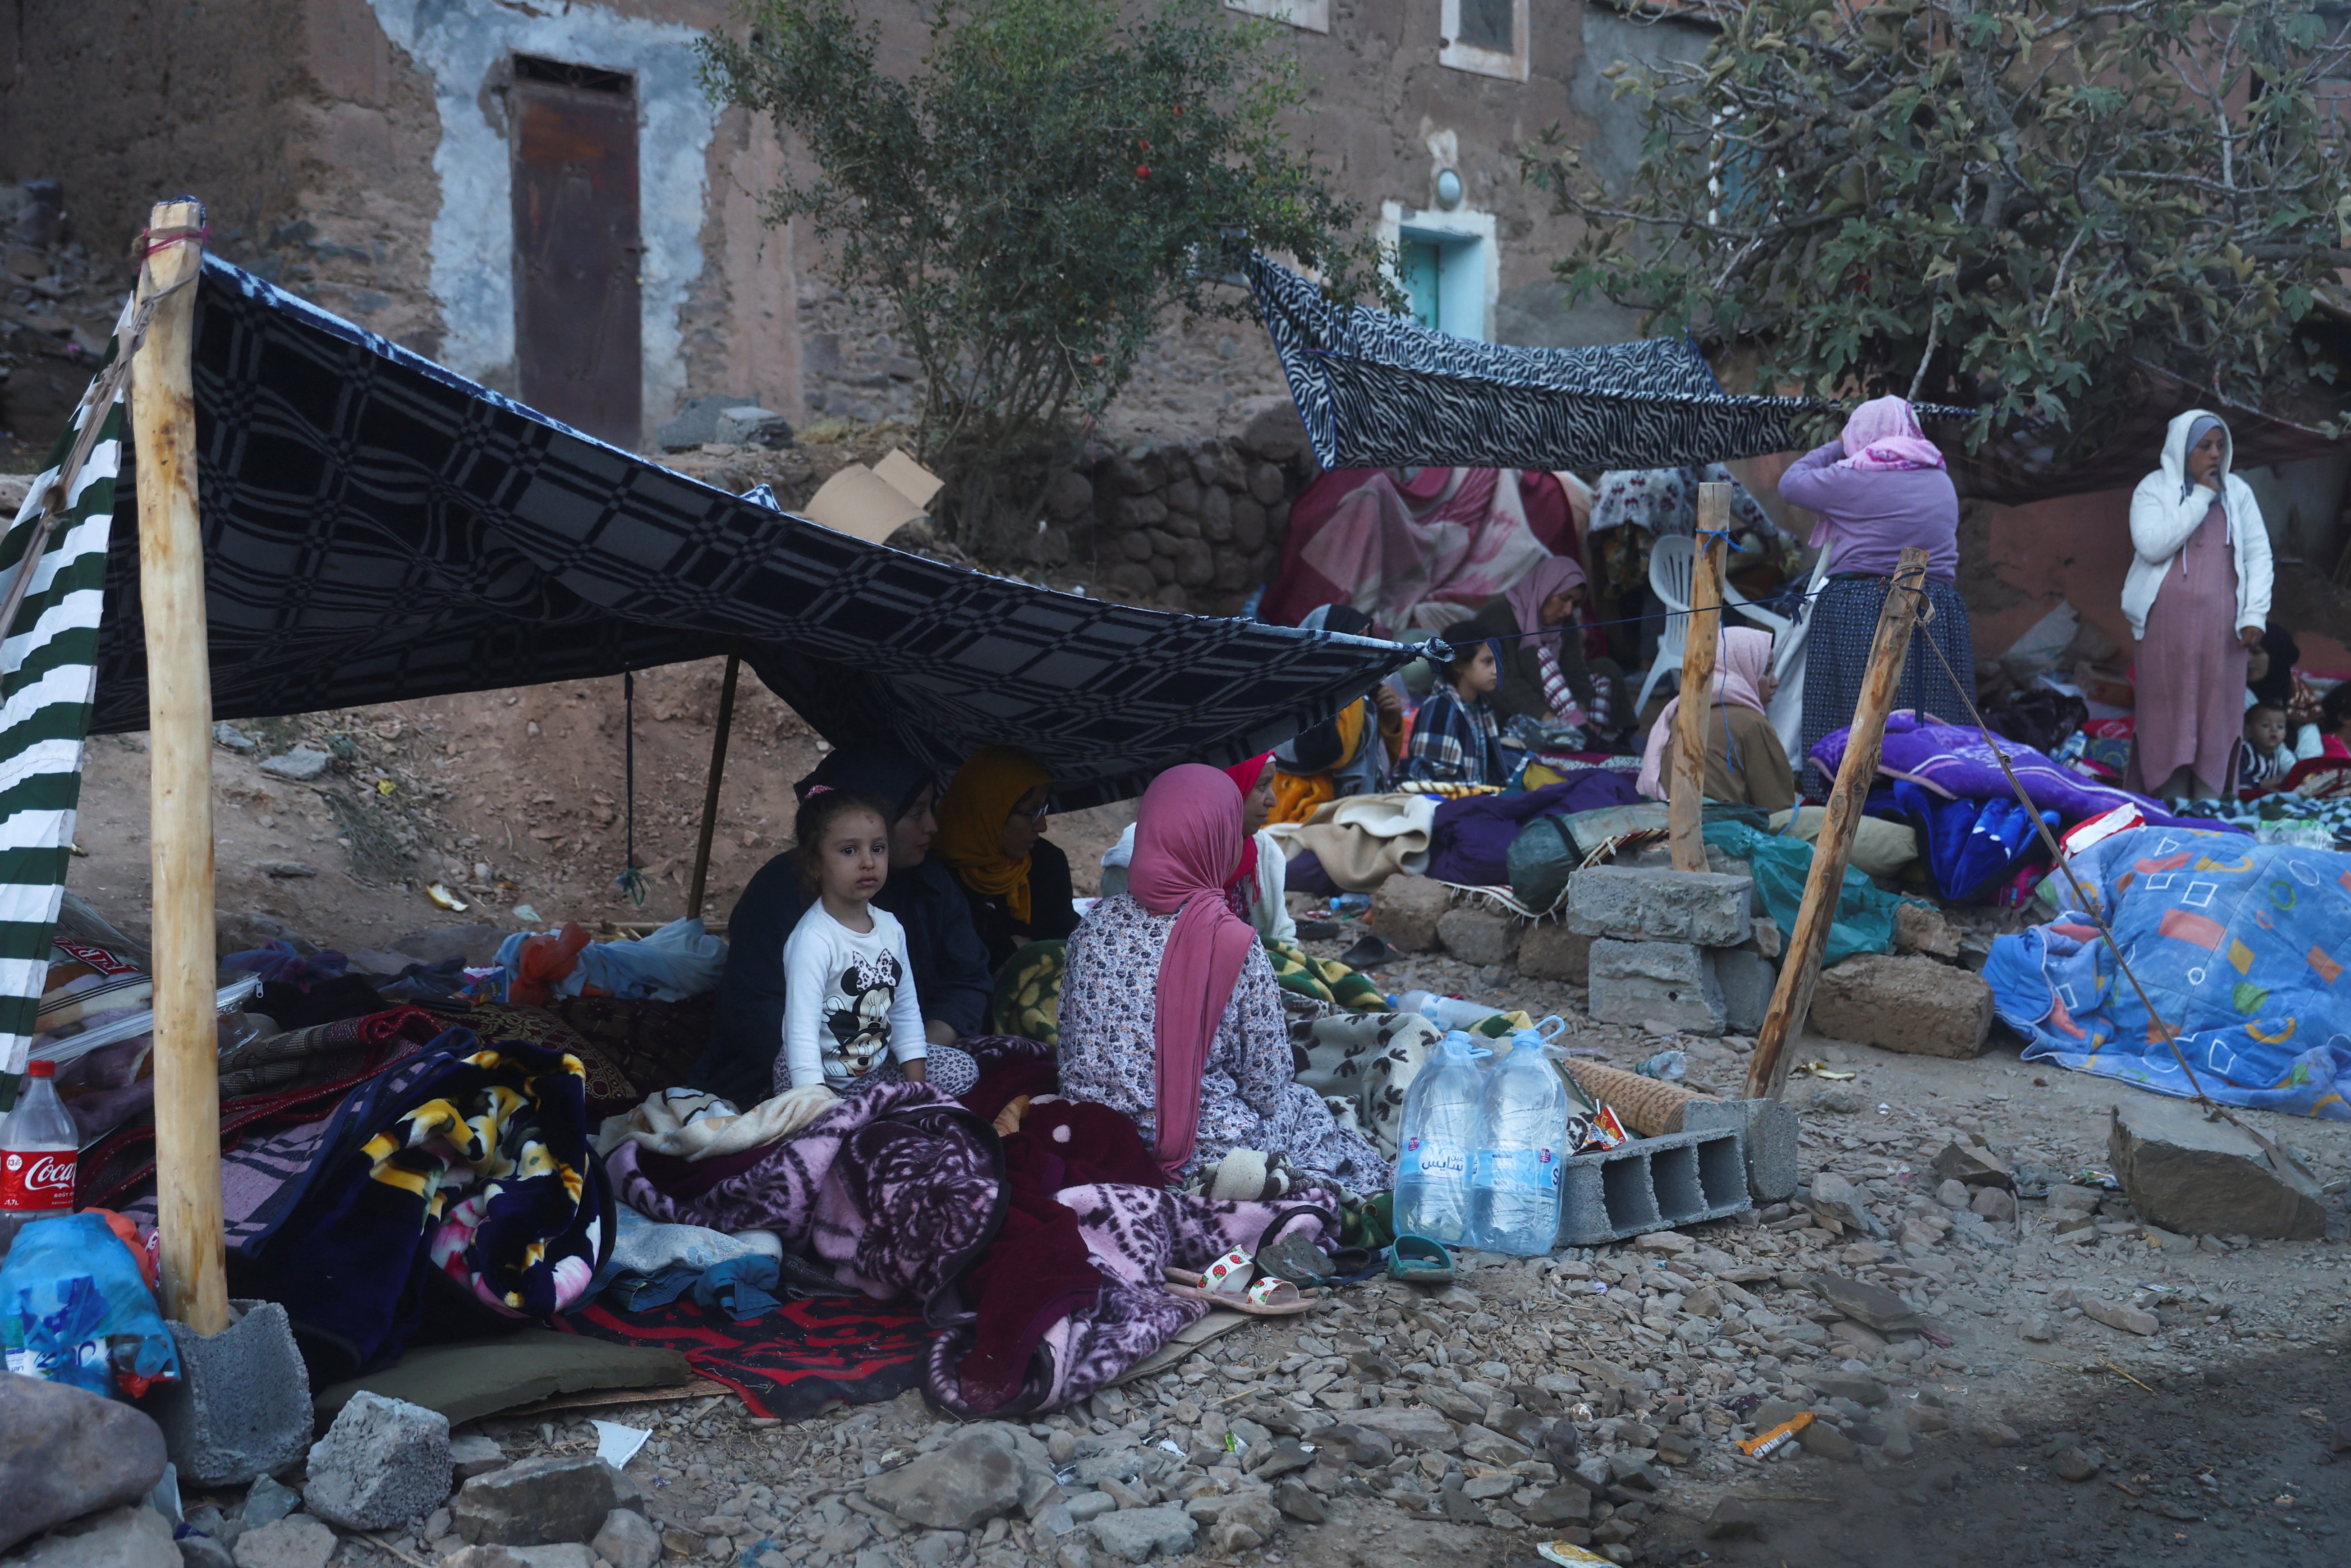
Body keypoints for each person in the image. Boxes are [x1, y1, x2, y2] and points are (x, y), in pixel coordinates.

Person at [1055, 764, 1389, 1189]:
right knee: (1307, 1110)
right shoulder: (1231, 943)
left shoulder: (1094, 924)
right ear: (1218, 839)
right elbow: (1267, 1088)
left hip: (1094, 1134)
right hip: (1203, 1150)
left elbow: (1069, 1045)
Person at [694, 741, 994, 1108]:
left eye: (878, 848)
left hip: (883, 1059)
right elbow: (763, 1016)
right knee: (794, 1077)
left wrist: (917, 1069)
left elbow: (961, 981)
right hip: (808, 1068)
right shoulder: (787, 900)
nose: (933, 826)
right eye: (916, 813)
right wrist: (826, 1098)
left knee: (964, 1070)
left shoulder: (926, 888)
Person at [1779, 395, 1974, 790]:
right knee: (1927, 715)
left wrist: (1839, 443)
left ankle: (1845, 796)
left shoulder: (1851, 477)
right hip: (1936, 610)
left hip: (1861, 608)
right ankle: (1930, 795)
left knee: (1854, 716)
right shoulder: (1940, 478)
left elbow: (1791, 483)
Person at [774, 787, 977, 1098]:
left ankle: (876, 1109)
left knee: (963, 1069)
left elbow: (906, 1011)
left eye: (878, 848)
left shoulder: (891, 928)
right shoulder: (813, 941)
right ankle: (850, 1114)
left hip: (873, 1070)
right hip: (815, 1079)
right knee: (827, 1120)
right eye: (849, 851)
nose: (868, 862)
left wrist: (918, 1091)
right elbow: (800, 1034)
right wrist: (814, 1107)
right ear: (814, 864)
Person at [2124, 410, 2273, 800]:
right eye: (2205, 446)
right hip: (2163, 632)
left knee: (2216, 716)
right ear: (2182, 450)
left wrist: (2255, 613)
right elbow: (2152, 545)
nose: (2214, 454)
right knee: (2165, 716)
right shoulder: (2153, 490)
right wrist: (2201, 498)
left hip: (2224, 635)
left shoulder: (2238, 493)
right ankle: (2165, 797)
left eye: (2220, 446)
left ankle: (2208, 806)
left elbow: (2259, 554)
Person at [1446, 556, 1628, 740]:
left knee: (1606, 669)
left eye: (1575, 604)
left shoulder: (1566, 622)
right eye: (1564, 599)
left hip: (1559, 701)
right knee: (1538, 655)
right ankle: (1576, 733)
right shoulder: (1499, 616)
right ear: (1545, 588)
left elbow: (1576, 672)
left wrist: (1579, 710)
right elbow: (1502, 680)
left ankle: (1594, 734)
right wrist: (1548, 719)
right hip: (1514, 707)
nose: (1567, 610)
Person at [934, 746, 1080, 972]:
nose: (1042, 826)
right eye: (1031, 812)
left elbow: (1066, 948)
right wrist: (1015, 947)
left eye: (1043, 811)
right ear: (990, 812)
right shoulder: (934, 873)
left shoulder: (1047, 864)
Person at [1269, 604, 1406, 824]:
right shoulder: (1299, 690)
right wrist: (1354, 690)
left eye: (1368, 639)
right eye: (1356, 639)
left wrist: (1390, 722)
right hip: (1299, 817)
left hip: (1349, 816)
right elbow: (1335, 753)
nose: (1366, 648)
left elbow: (1380, 765)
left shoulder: (1365, 688)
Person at [1635, 627, 1795, 812]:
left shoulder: (1679, 712)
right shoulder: (1751, 723)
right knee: (1821, 820)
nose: (1775, 682)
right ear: (1740, 670)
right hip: (1729, 831)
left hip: (1674, 825)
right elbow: (1779, 806)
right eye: (1765, 671)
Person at [1403, 639, 1507, 786]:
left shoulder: (1482, 706)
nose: (1497, 670)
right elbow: (1435, 783)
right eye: (1488, 662)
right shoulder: (1440, 709)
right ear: (1459, 665)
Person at [2239, 702, 2293, 796]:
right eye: (2265, 725)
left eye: (2280, 727)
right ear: (2248, 730)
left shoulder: (2276, 755)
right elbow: (2235, 779)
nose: (2274, 730)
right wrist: (2259, 785)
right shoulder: (2245, 751)